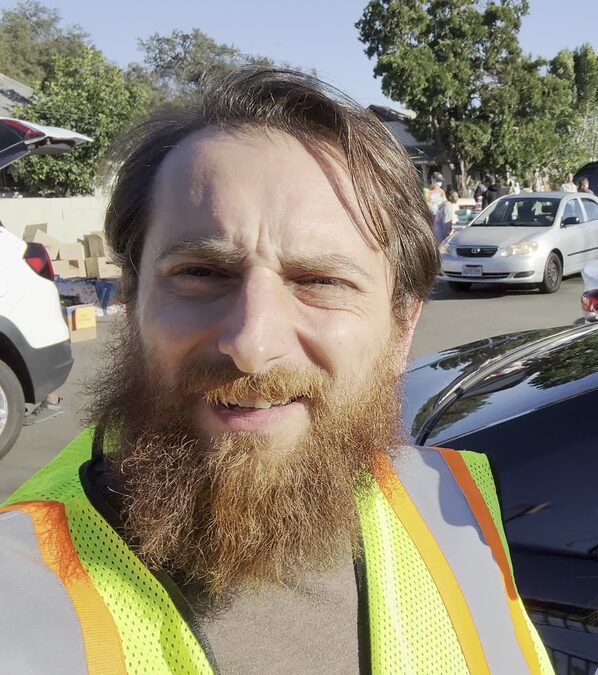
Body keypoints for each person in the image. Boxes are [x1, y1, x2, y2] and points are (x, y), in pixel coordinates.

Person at [0, 68, 552, 673]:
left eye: (319, 282)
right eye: (202, 273)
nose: (251, 344)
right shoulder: (17, 597)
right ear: (131, 301)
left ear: (401, 329)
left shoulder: (455, 512)